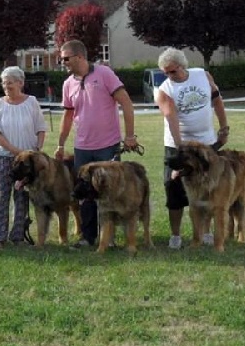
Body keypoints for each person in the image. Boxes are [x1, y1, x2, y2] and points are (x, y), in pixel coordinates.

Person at [55, 39, 138, 248]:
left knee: (109, 193)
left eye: (66, 58)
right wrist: (61, 144)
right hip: (82, 148)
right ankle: (88, 237)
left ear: (80, 56)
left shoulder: (104, 74)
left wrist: (130, 136)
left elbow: (126, 103)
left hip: (107, 146)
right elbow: (67, 115)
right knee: (84, 194)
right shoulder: (68, 84)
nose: (63, 62)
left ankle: (107, 238)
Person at [156, 47, 229, 249]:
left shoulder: (203, 76)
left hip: (207, 143)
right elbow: (170, 116)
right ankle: (176, 235)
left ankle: (205, 233)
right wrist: (181, 148)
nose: (170, 76)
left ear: (183, 66)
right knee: (174, 189)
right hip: (178, 145)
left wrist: (224, 127)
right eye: (166, 72)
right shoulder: (164, 90)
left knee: (208, 187)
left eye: (173, 71)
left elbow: (217, 101)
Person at [0, 66, 47, 249]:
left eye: (10, 83)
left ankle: (18, 235)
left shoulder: (32, 102)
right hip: (3, 157)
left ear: (20, 83)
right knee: (1, 196)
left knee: (22, 198)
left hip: (27, 161)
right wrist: (15, 151)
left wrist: (36, 150)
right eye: (4, 84)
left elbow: (41, 128)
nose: (6, 87)